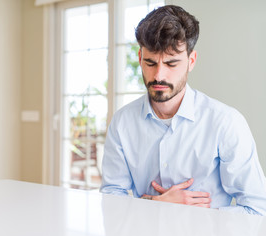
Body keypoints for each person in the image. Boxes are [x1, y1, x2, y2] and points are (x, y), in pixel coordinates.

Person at [100, 5, 266, 215]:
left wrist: (191, 215)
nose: (159, 75)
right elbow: (111, 201)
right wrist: (158, 204)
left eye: (171, 64)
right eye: (151, 63)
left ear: (191, 61)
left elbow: (258, 210)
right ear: (140, 58)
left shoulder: (226, 123)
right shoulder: (122, 123)